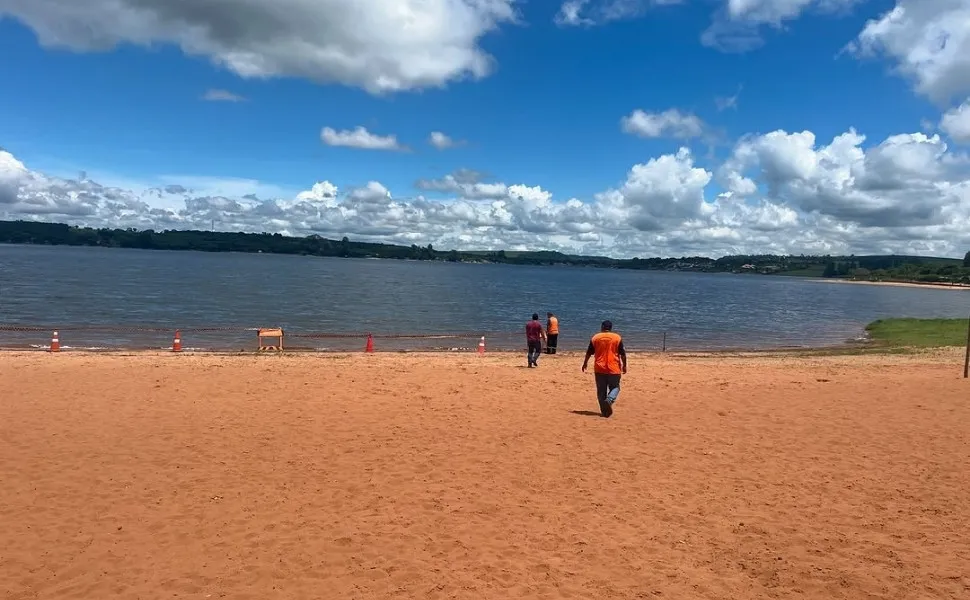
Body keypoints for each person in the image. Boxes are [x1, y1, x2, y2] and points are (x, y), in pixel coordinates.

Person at [581, 320, 627, 418]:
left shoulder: (595, 338)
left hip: (599, 368)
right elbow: (622, 354)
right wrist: (624, 365)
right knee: (615, 387)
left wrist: (585, 363)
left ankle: (604, 411)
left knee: (601, 391)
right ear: (611, 328)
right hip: (613, 367)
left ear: (602, 327)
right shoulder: (617, 338)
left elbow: (589, 352)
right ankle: (609, 400)